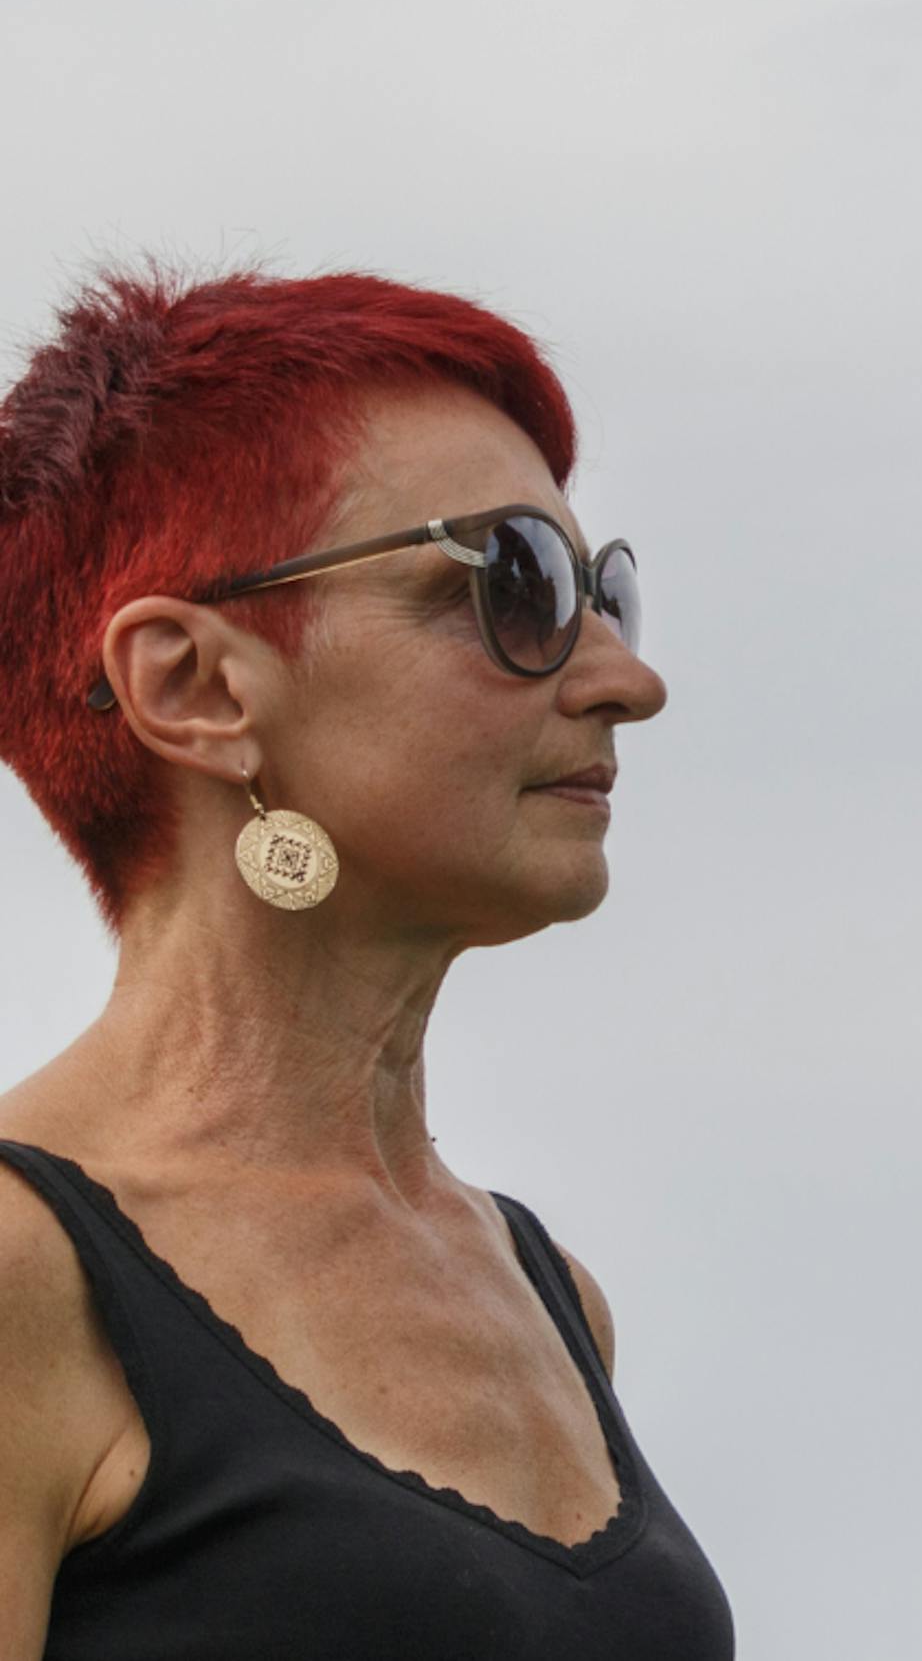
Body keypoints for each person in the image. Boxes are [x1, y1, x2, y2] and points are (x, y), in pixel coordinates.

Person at [0, 270, 731, 1659]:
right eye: (514, 583)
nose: (627, 677)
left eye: (605, 590)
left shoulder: (547, 1297)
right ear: (196, 688)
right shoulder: (22, 1275)